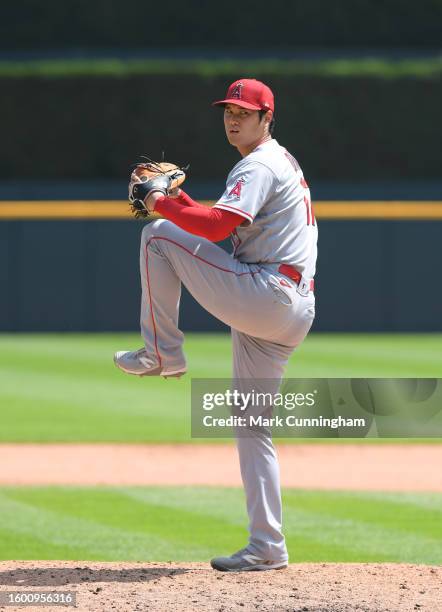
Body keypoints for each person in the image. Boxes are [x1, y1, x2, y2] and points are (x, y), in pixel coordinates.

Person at [114, 78, 318, 571]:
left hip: (267, 292)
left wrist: (162, 203)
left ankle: (162, 352)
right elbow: (217, 218)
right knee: (251, 426)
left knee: (157, 236)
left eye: (244, 112)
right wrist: (174, 200)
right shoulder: (275, 161)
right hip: (288, 306)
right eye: (228, 110)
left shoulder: (259, 163)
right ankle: (268, 546)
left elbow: (215, 228)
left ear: (267, 119)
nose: (233, 118)